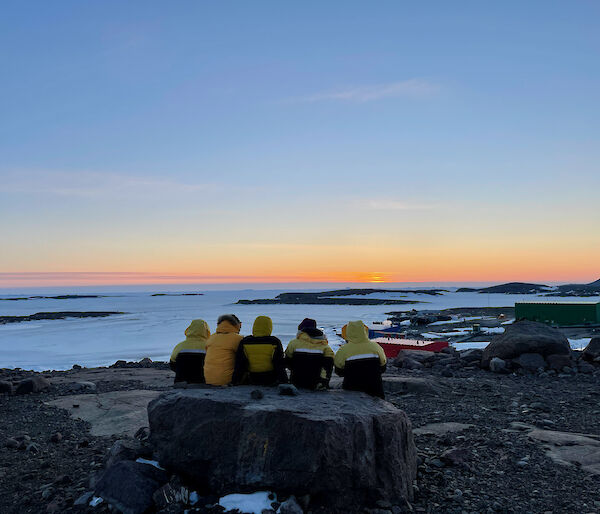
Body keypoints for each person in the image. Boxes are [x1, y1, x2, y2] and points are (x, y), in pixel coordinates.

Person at [334, 320, 387, 398]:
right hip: (376, 390)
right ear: (365, 331)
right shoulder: (376, 346)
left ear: (348, 333)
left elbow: (338, 371)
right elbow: (383, 366)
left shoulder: (343, 350)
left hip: (352, 391)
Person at [232, 315, 287, 386]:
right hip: (270, 378)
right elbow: (279, 364)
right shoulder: (274, 342)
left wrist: (235, 381)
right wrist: (284, 381)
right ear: (270, 327)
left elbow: (240, 364)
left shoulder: (245, 341)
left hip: (252, 378)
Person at [285, 318, 334, 390]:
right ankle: (322, 384)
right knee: (328, 362)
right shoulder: (324, 345)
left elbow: (287, 361)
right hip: (316, 382)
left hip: (296, 381)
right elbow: (329, 365)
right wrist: (324, 381)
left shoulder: (294, 343)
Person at [204, 314, 244, 386]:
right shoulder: (238, 339)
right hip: (226, 380)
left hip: (208, 379)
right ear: (236, 325)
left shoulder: (212, 338)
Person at [169, 319, 211, 384]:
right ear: (207, 332)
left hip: (181, 381)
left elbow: (172, 364)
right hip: (203, 381)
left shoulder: (180, 346)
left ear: (189, 330)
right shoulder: (210, 347)